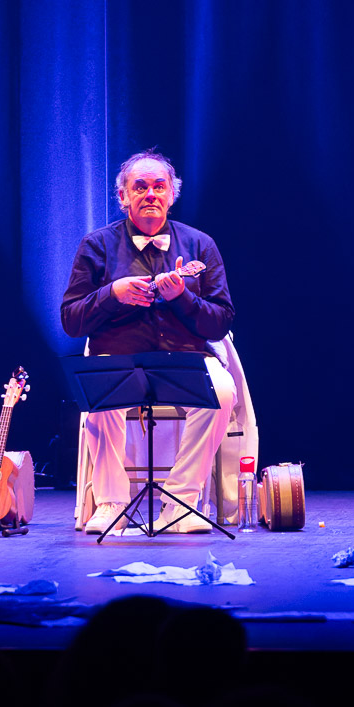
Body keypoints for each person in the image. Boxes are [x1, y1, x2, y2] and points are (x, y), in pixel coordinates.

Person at [61, 149, 236, 534]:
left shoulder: (200, 244)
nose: (151, 194)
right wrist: (112, 294)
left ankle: (182, 503)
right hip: (119, 358)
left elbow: (221, 321)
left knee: (223, 393)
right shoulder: (97, 245)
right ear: (123, 197)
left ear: (172, 195)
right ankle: (111, 504)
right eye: (140, 187)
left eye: (160, 186)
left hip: (186, 359)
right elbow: (71, 320)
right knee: (100, 397)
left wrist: (183, 298)